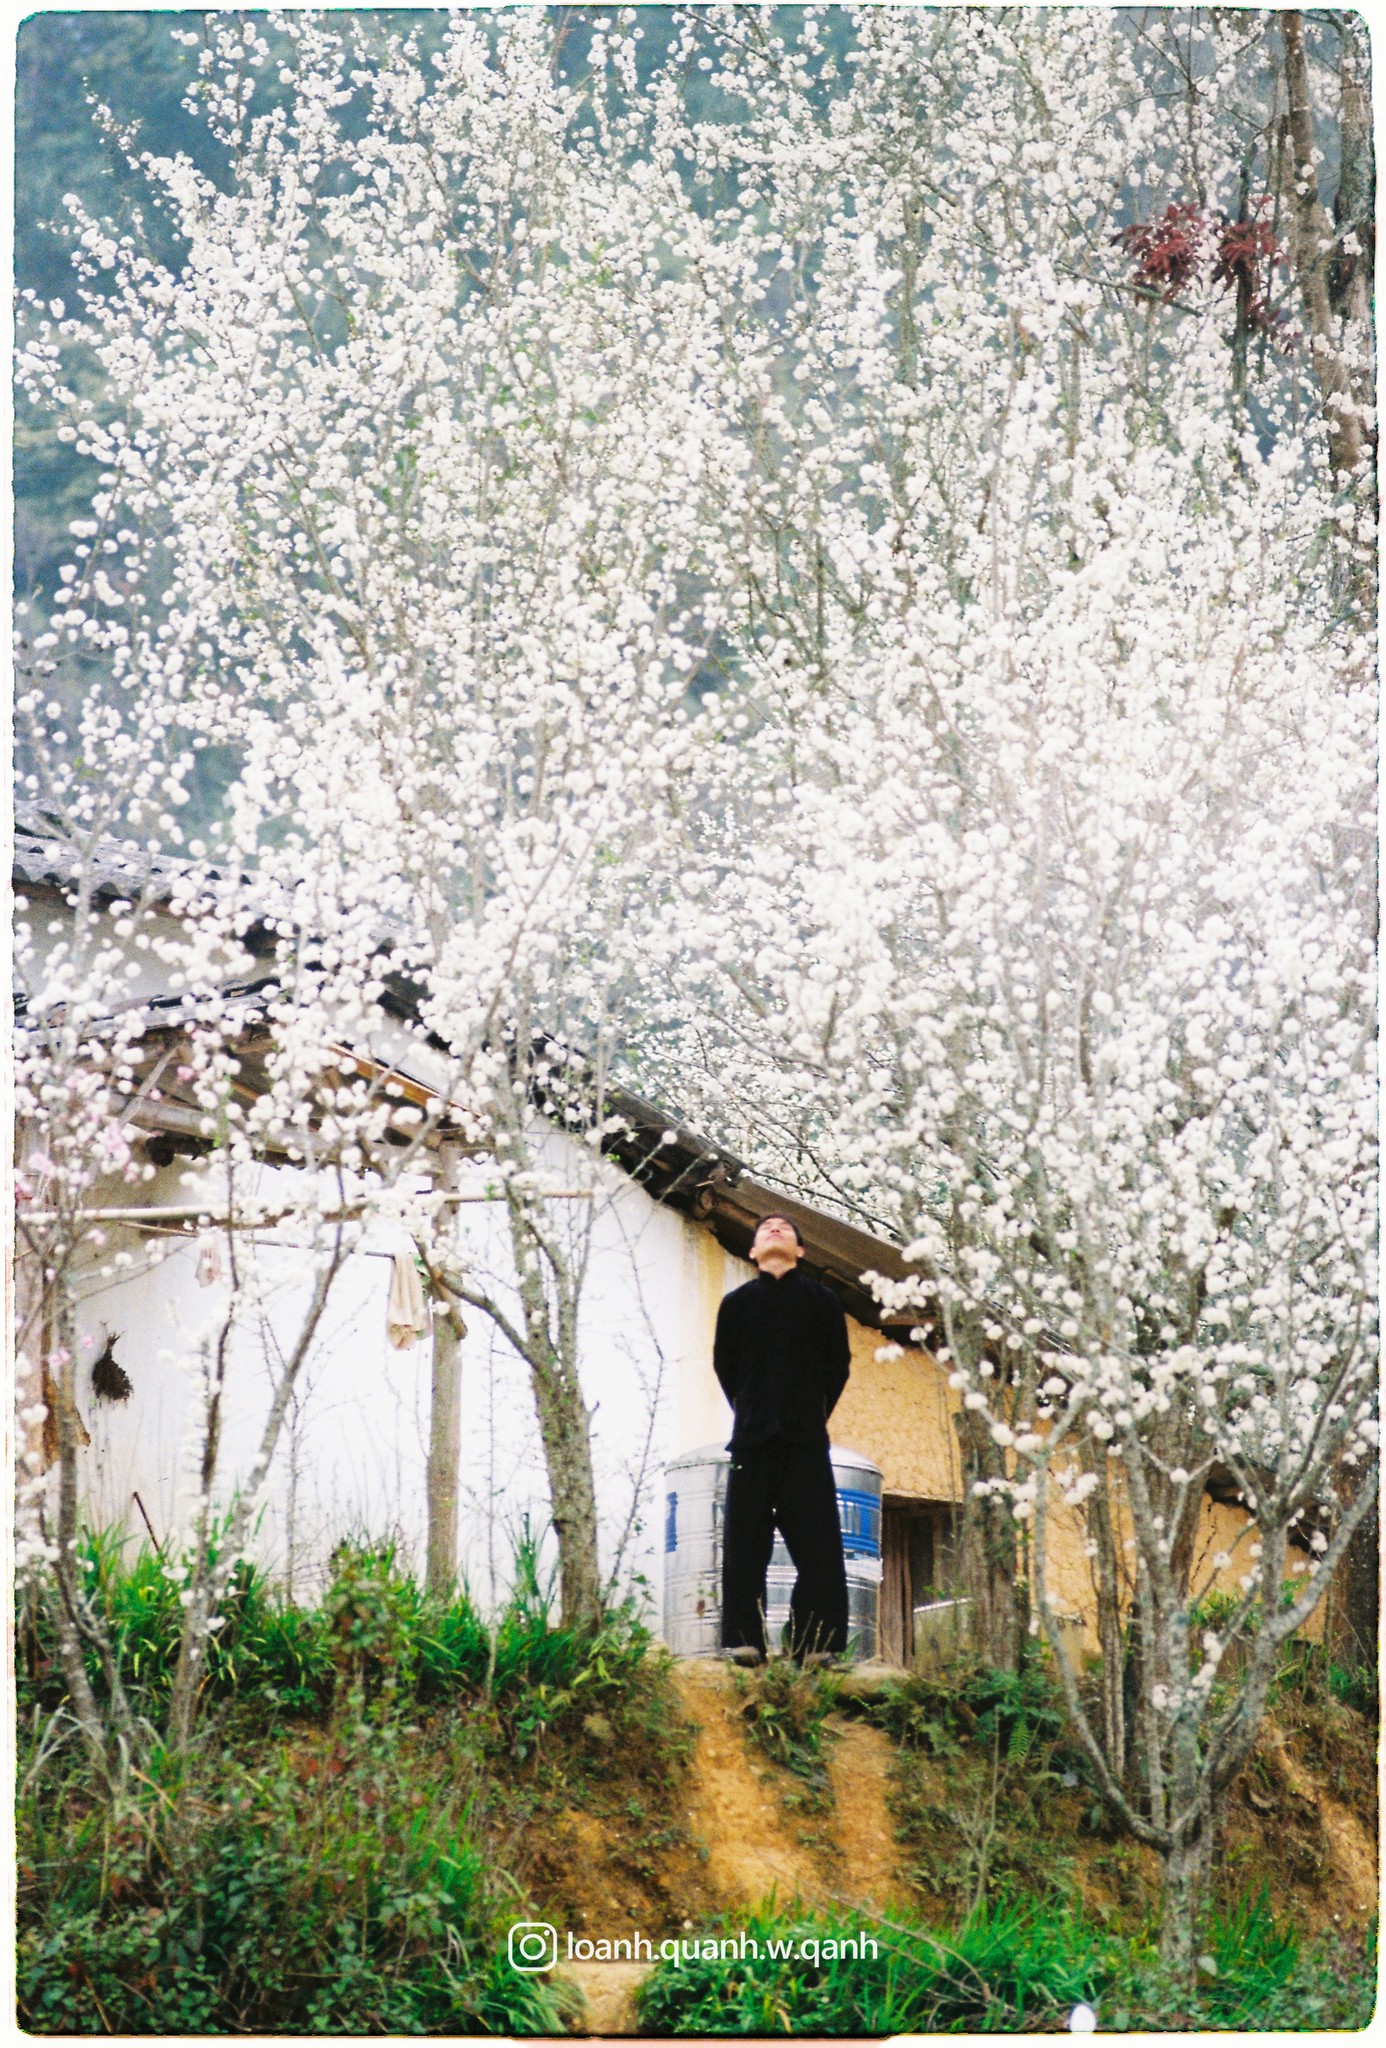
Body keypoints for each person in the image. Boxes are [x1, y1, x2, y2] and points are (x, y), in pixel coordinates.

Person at [712, 1212, 851, 1666]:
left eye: (785, 1228)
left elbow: (838, 1368)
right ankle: (743, 1641)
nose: (775, 1229)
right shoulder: (735, 1304)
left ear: (801, 1251)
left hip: (805, 1443)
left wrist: (808, 1416)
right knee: (743, 1544)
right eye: (765, 1229)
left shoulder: (823, 1302)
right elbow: (725, 1369)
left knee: (820, 1547)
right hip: (750, 1443)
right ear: (752, 1251)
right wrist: (753, 1413)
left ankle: (817, 1644)